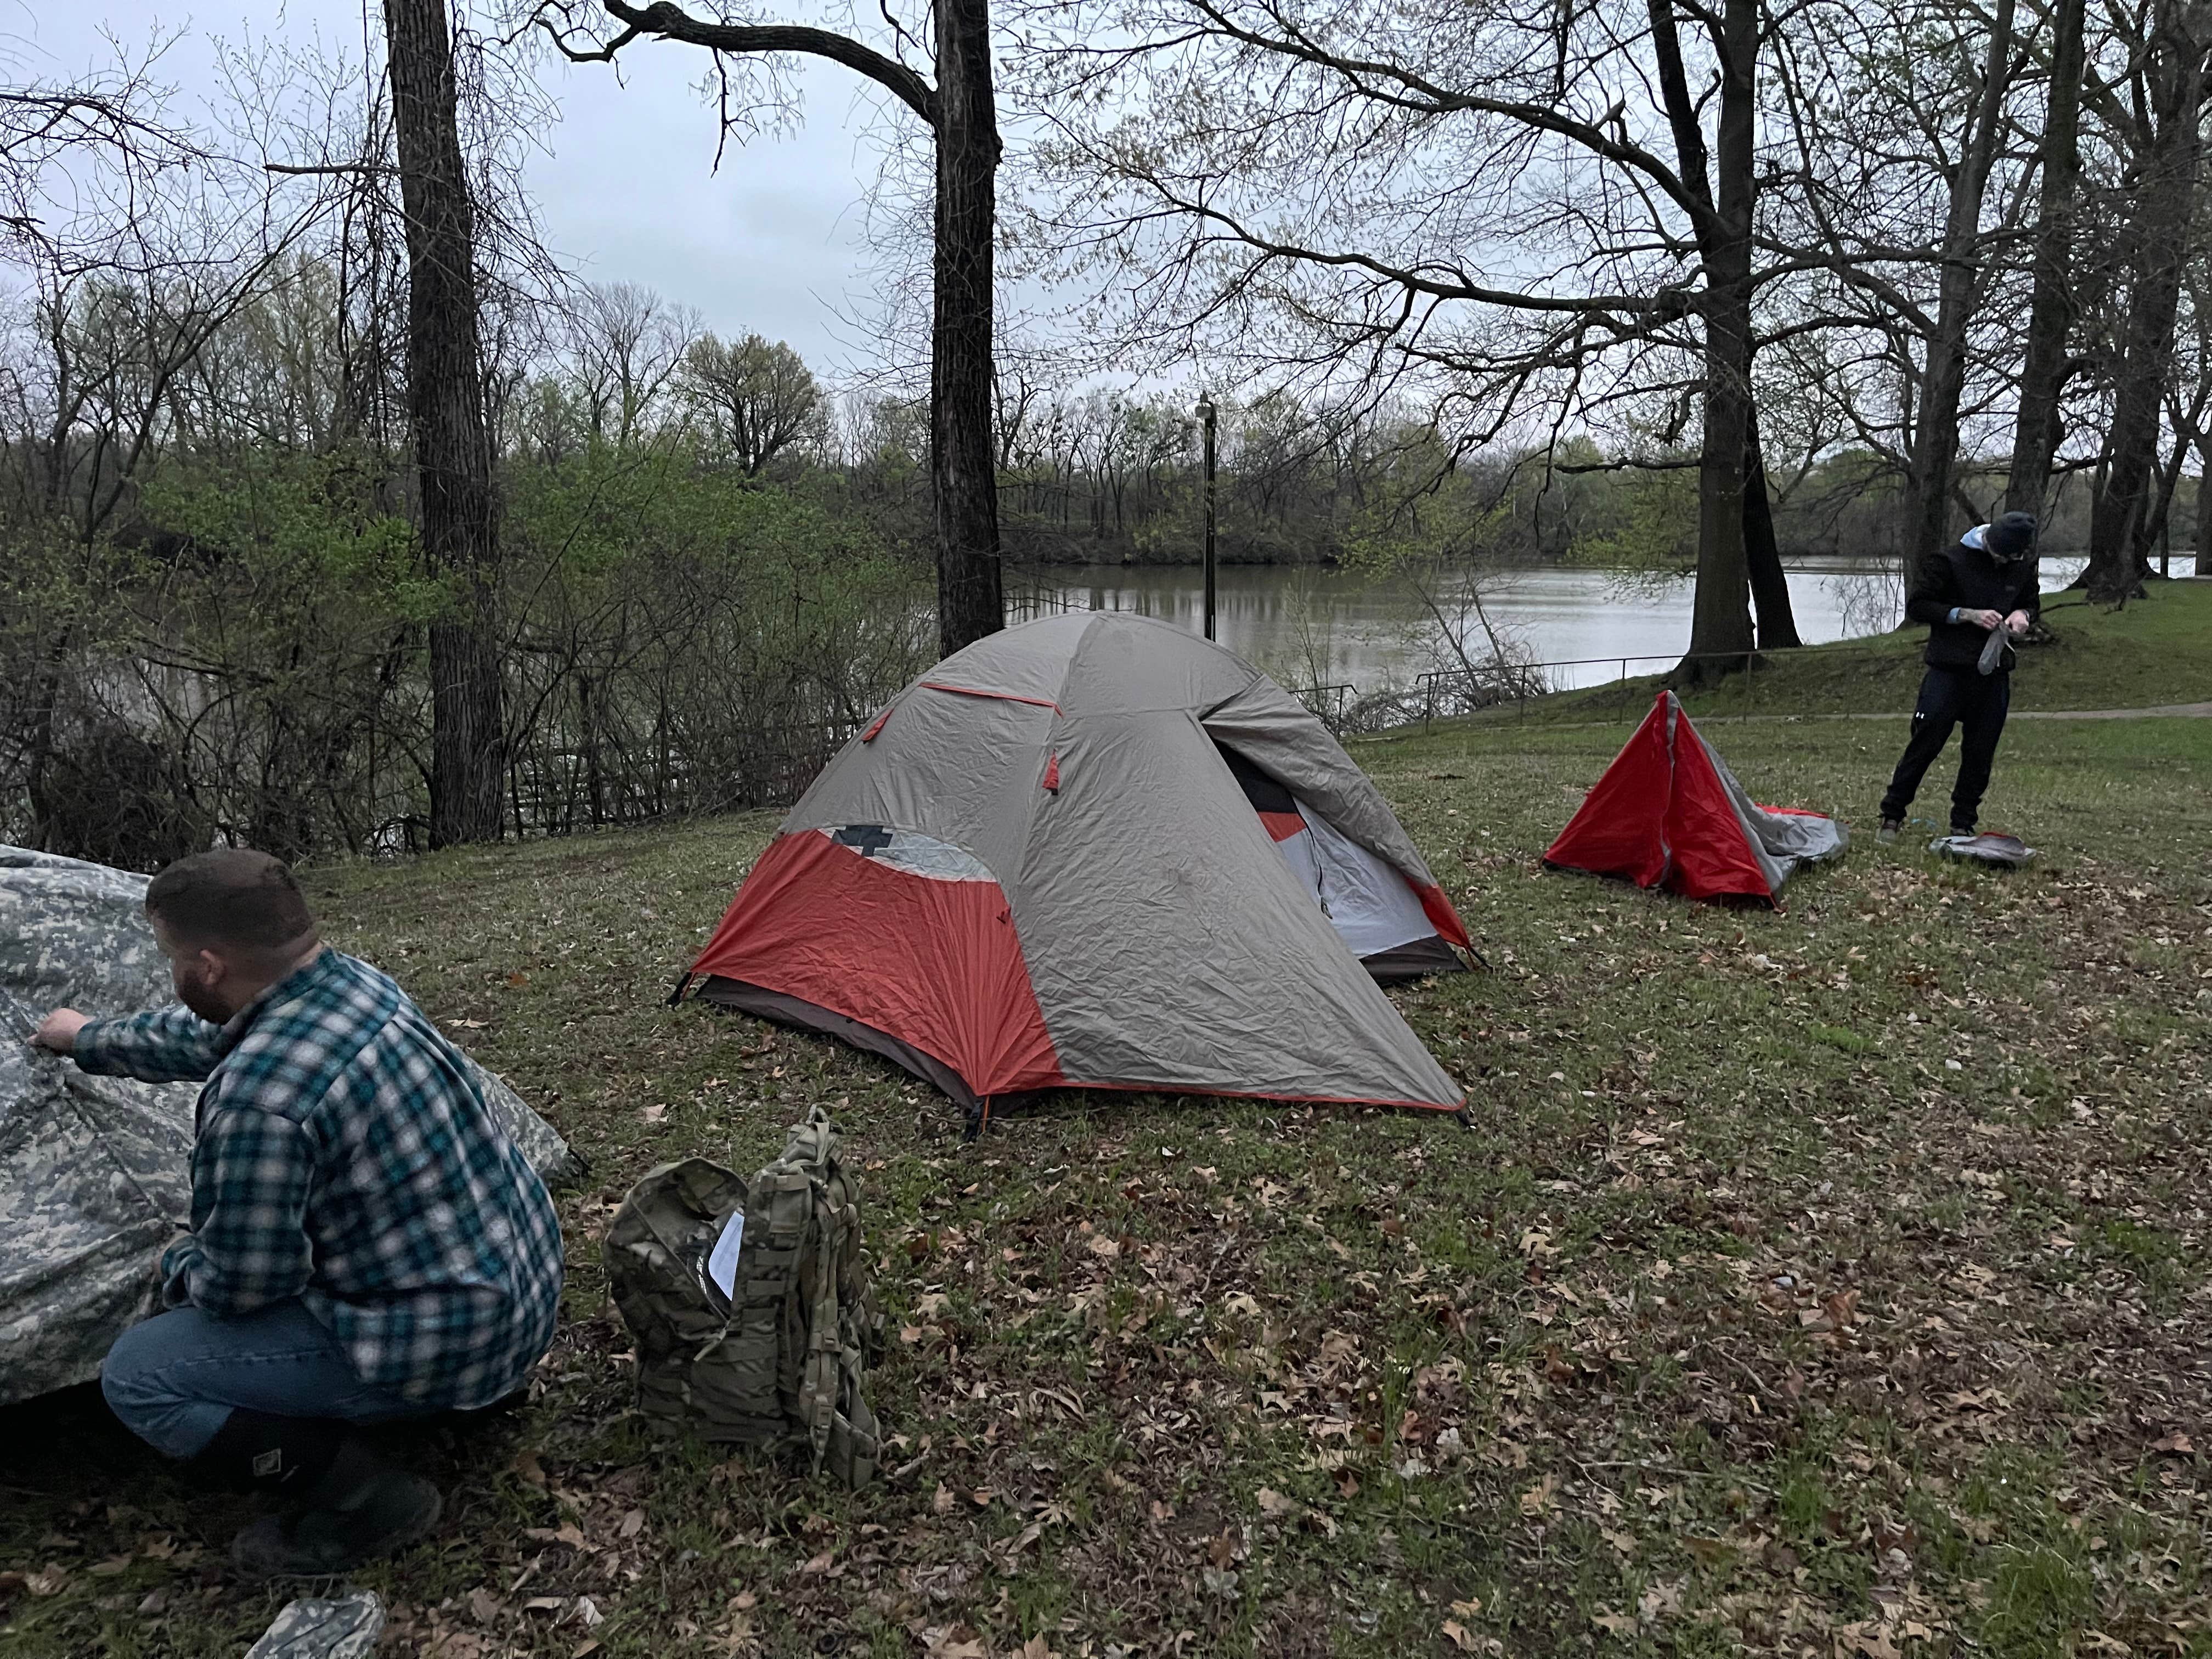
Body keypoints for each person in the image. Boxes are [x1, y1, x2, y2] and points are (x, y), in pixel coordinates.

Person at [28, 848, 564, 1578]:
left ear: (209, 966)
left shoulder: (258, 1101)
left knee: (140, 1374)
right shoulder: (356, 987)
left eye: (172, 957)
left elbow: (245, 1287)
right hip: (517, 1302)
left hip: (447, 1344)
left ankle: (366, 1498)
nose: (172, 971)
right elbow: (215, 1037)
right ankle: (456, 1404)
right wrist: (89, 1039)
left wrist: (176, 1257)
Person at [1877, 511, 2041, 844]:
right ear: (1991, 544)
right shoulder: (1949, 561)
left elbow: (2030, 602)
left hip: (1993, 673)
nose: (2008, 562)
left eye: (2015, 557)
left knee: (1981, 752)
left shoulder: (2021, 565)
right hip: (1948, 670)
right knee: (1925, 743)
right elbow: (1920, 606)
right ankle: (1892, 815)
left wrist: (2022, 616)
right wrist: (1965, 615)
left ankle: (1963, 823)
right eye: (2004, 556)